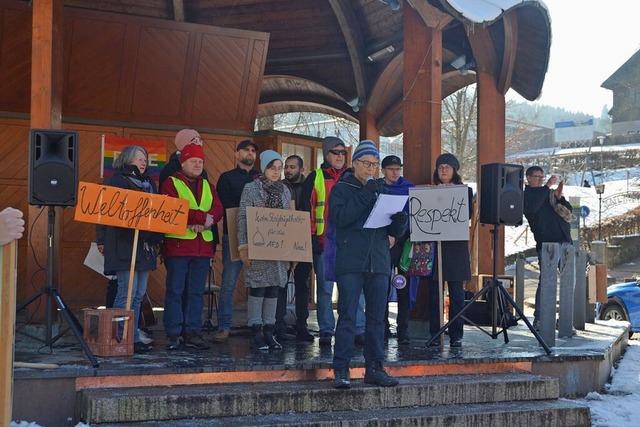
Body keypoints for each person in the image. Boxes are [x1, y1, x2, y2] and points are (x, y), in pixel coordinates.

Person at [330, 140, 407, 389]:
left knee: (377, 319)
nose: (371, 169)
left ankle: (374, 367)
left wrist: (400, 221)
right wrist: (366, 193)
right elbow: (341, 218)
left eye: (374, 164)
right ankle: (341, 368)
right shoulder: (342, 187)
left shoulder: (382, 189)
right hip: (351, 261)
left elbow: (392, 231)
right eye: (366, 164)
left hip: (379, 261)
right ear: (354, 164)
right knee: (348, 317)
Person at [96, 145, 162, 354]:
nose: (144, 161)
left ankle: (132, 337)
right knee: (126, 292)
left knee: (139, 294)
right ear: (127, 159)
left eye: (145, 158)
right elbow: (103, 212)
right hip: (123, 245)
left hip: (144, 246)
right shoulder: (116, 181)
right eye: (139, 157)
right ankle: (121, 337)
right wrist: (100, 240)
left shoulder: (149, 184)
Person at [300, 136, 365, 347]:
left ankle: (358, 328)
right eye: (335, 152)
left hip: (350, 243)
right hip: (324, 242)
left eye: (342, 152)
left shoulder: (353, 177)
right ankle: (326, 330)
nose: (339, 156)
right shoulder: (315, 177)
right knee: (325, 290)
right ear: (326, 154)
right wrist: (311, 238)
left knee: (353, 288)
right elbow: (306, 210)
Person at [161, 143, 223, 350]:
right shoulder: (171, 182)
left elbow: (218, 208)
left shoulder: (208, 185)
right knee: (175, 291)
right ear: (183, 163)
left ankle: (192, 331)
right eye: (193, 161)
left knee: (196, 292)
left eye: (200, 162)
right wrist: (202, 218)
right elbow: (176, 208)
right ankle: (173, 333)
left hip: (202, 248)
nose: (197, 165)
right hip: (178, 247)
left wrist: (206, 221)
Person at [237, 150, 293, 350]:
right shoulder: (251, 188)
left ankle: (269, 331)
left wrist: (292, 250)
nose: (276, 172)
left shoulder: (285, 190)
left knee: (273, 289)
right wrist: (243, 246)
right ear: (264, 168)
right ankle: (255, 330)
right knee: (258, 288)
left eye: (279, 169)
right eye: (272, 168)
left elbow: (290, 220)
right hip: (258, 246)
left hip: (278, 250)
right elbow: (243, 216)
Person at [214, 140, 260, 342]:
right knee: (229, 283)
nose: (250, 153)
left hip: (260, 237)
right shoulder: (226, 178)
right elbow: (228, 206)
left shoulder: (261, 179)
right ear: (237, 154)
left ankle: (257, 325)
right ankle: (224, 326)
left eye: (253, 151)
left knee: (259, 282)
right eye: (246, 150)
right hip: (233, 235)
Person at [427, 153, 473, 348]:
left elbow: (466, 214)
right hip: (435, 246)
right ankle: (436, 333)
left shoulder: (465, 191)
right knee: (434, 293)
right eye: (440, 167)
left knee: (456, 293)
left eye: (448, 166)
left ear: (455, 170)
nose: (444, 170)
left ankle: (456, 334)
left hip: (456, 247)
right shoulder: (429, 191)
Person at [523, 166, 572, 330]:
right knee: (546, 281)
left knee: (568, 281)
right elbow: (533, 208)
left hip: (564, 240)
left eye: (542, 177)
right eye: (537, 177)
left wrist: (559, 198)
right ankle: (540, 318)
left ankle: (564, 320)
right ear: (528, 178)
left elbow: (568, 212)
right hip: (547, 243)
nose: (540, 180)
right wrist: (546, 188)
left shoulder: (548, 194)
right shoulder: (528, 195)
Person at [275, 155, 315, 342]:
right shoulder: (280, 186)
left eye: (292, 167)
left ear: (301, 168)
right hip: (283, 240)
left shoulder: (310, 185)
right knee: (281, 284)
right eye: (286, 167)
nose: (288, 170)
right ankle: (279, 326)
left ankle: (302, 326)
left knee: (302, 285)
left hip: (304, 239)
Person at [379, 155, 415, 345]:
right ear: (383, 170)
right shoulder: (377, 187)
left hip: (404, 244)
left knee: (403, 287)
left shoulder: (409, 189)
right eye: (391, 169)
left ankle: (403, 331)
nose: (395, 173)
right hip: (383, 243)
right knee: (381, 286)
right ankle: (382, 327)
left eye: (398, 169)